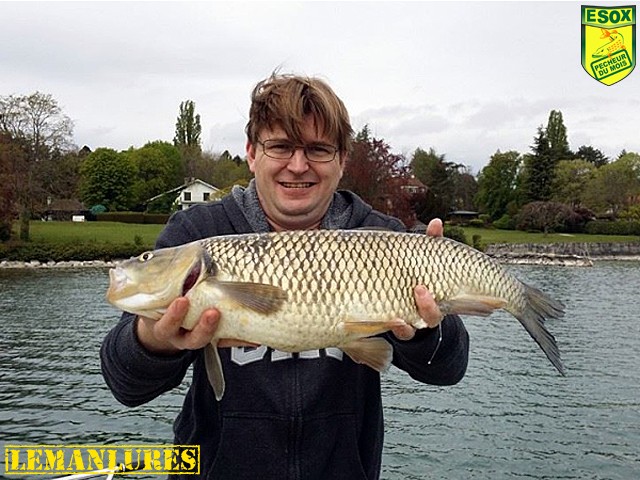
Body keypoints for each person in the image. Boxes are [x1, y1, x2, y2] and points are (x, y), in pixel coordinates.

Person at [101, 73, 470, 480]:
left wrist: (421, 331)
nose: (298, 166)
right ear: (252, 153)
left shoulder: (381, 237)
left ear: (342, 159)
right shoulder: (198, 236)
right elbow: (125, 384)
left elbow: (448, 369)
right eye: (280, 147)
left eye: (318, 149)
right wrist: (153, 339)